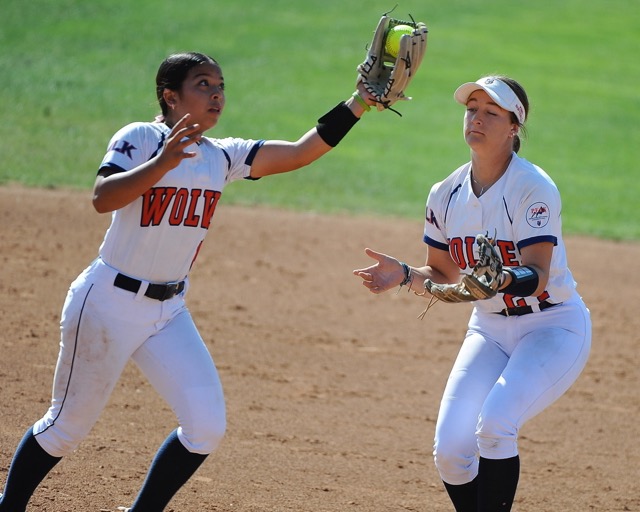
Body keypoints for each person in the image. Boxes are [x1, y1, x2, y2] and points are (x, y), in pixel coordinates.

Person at [0, 51, 378, 512]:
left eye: (220, 85)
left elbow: (300, 152)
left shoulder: (222, 155)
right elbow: (103, 197)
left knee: (205, 428)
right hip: (107, 303)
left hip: (168, 313)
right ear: (170, 96)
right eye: (203, 84)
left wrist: (359, 102)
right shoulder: (140, 138)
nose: (216, 93)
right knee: (65, 428)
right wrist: (161, 164)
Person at [353, 75, 592, 511]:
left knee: (496, 425)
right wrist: (405, 274)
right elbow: (441, 272)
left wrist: (501, 280)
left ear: (514, 126)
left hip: (551, 326)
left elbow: (537, 273)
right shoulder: (445, 194)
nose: (476, 118)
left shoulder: (533, 187)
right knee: (451, 452)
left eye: (490, 112)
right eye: (471, 109)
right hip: (488, 329)